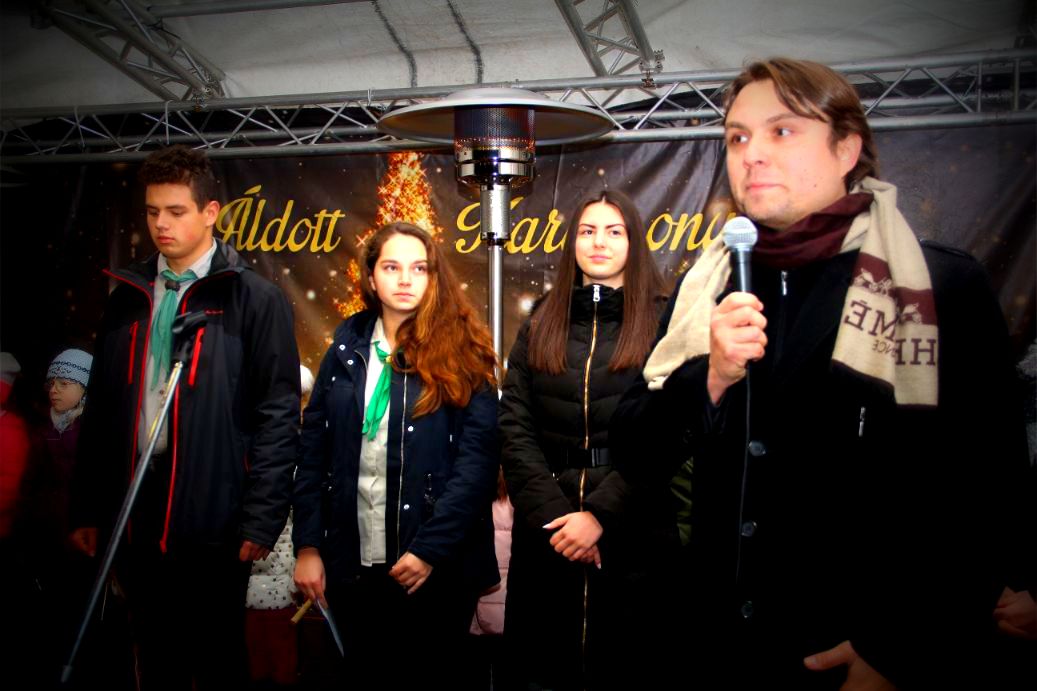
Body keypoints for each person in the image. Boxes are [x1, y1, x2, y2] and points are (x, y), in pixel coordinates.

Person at [610, 57, 1030, 689]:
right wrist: (711, 376)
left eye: (782, 130)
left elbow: (987, 491)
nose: (751, 153)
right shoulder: (710, 288)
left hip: (854, 652)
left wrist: (897, 651)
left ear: (846, 149)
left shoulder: (937, 286)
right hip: (720, 649)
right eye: (737, 137)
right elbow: (634, 451)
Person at [69, 145, 301, 690]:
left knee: (219, 655)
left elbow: (277, 413)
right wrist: (87, 505)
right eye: (153, 211)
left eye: (176, 211)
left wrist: (263, 516)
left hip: (215, 506)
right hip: (136, 503)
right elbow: (100, 410)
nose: (161, 224)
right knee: (154, 651)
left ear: (210, 212)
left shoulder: (254, 297)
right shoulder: (127, 296)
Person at [292, 221, 500, 688]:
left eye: (418, 268)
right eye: (391, 267)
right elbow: (314, 453)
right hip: (354, 566)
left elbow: (477, 468)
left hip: (436, 569)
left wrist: (428, 550)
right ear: (370, 276)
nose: (405, 279)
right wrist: (308, 546)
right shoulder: (345, 348)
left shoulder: (465, 353)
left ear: (434, 277)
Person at [498, 190, 672, 690]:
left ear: (634, 242)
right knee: (544, 669)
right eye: (588, 231)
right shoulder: (540, 320)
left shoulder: (664, 321)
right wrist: (558, 517)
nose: (599, 243)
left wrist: (599, 516)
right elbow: (514, 424)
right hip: (548, 530)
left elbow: (671, 432)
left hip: (633, 526)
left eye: (614, 232)